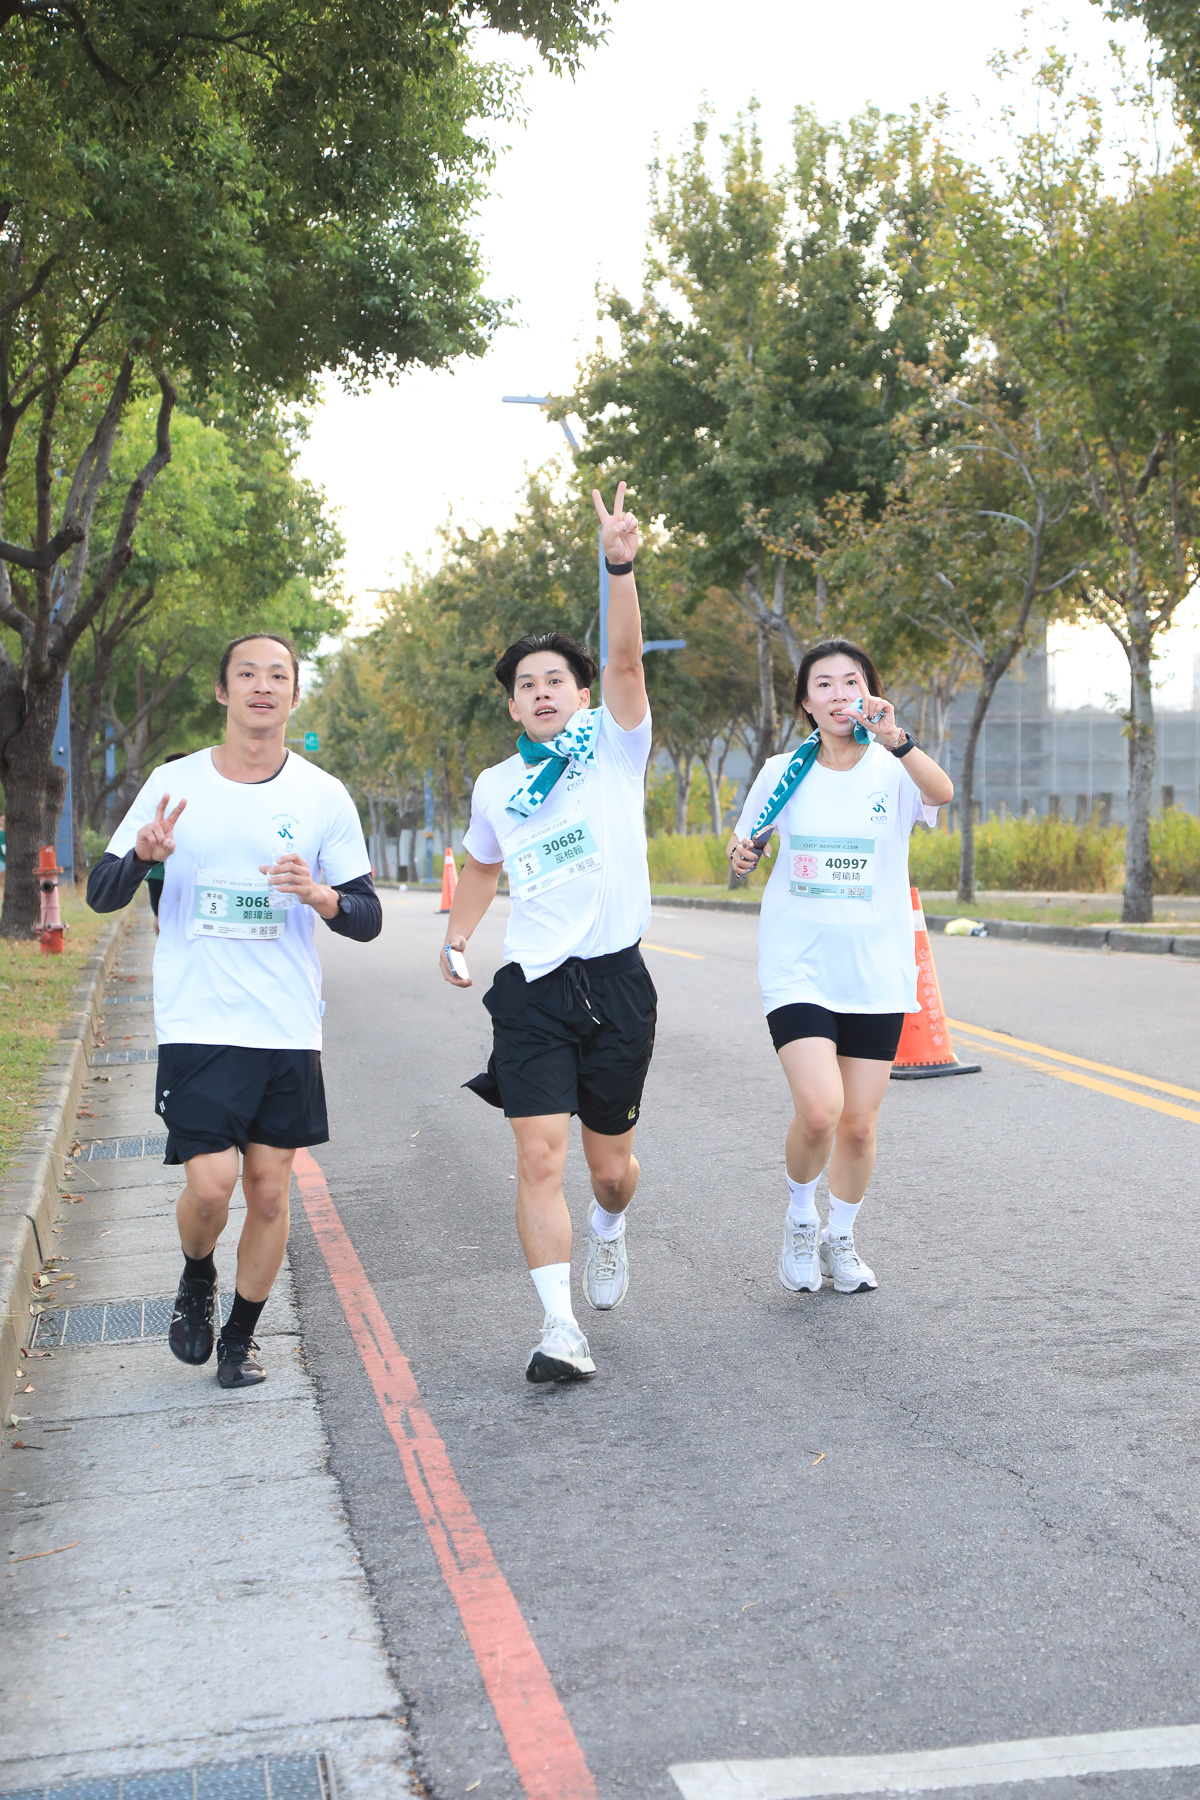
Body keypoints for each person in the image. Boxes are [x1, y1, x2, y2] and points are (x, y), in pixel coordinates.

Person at [87, 632, 381, 1388]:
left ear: (294, 694)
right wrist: (144, 856)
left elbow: (367, 915)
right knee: (212, 1185)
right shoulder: (173, 783)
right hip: (199, 1018)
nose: (262, 686)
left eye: (277, 675)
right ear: (222, 691)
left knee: (270, 1191)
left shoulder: (322, 795)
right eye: (247, 674)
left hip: (285, 1022)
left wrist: (321, 896)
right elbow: (101, 893)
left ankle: (240, 1339)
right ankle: (197, 1271)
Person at [441, 483, 656, 1385]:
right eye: (525, 685)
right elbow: (481, 865)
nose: (540, 693)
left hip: (616, 984)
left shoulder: (614, 745)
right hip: (532, 988)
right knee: (537, 1154)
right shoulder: (497, 785)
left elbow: (628, 658)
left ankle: (609, 1225)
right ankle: (559, 1328)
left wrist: (619, 566)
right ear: (512, 706)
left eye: (554, 681)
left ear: (581, 694)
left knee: (610, 1171)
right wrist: (458, 938)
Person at [728, 638, 953, 1297]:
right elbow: (744, 850)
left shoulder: (893, 767)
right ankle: (802, 1218)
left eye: (849, 682)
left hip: (876, 969)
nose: (836, 694)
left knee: (858, 1123)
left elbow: (942, 792)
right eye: (822, 684)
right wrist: (742, 858)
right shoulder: (783, 772)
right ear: (806, 702)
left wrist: (897, 740)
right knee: (822, 1110)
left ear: (869, 692)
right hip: (798, 965)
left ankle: (841, 1237)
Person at [145, 753, 188, 929]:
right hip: (159, 872)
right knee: (162, 919)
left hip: (180, 872)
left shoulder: (196, 798)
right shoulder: (157, 800)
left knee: (169, 919)